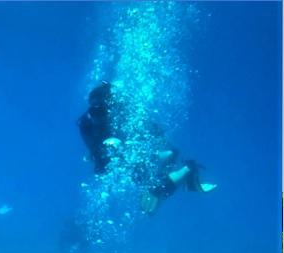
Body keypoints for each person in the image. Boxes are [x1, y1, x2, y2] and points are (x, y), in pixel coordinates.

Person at [77, 80, 216, 216]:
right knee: (150, 186)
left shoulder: (123, 115)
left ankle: (187, 168)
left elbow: (149, 134)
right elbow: (94, 147)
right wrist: (97, 156)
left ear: (110, 105)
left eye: (101, 108)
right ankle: (175, 164)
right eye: (93, 109)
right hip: (130, 155)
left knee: (157, 188)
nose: (97, 114)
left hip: (142, 150)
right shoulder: (86, 124)